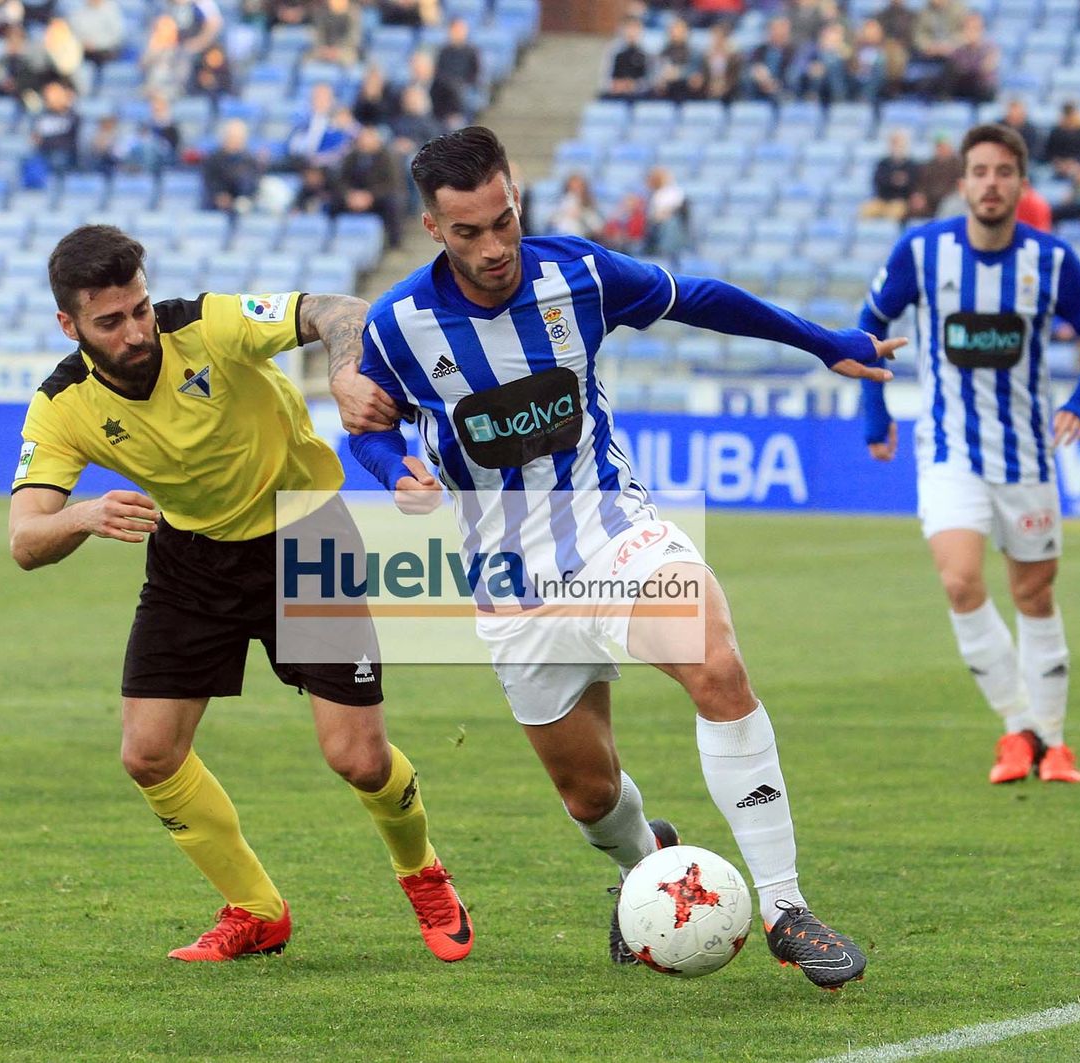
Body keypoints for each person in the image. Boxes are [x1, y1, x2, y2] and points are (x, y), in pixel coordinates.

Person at [347, 127, 898, 989]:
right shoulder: (397, 326)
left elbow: (700, 298)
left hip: (613, 532)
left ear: (515, 197)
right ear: (431, 228)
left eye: (504, 220)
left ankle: (787, 909)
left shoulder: (579, 274)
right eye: (468, 232)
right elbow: (369, 427)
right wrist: (396, 472)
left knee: (716, 664)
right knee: (591, 797)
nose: (493, 247)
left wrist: (822, 340)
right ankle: (648, 860)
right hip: (509, 582)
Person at [8, 224, 472, 964]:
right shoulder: (63, 404)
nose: (136, 331)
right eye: (110, 321)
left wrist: (344, 370)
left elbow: (338, 309)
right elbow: (26, 540)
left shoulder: (208, 325)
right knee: (149, 753)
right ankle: (256, 911)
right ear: (70, 325)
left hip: (306, 534)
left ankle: (424, 874)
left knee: (358, 758)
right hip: (192, 559)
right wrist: (83, 516)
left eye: (139, 309)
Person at [859, 123, 1080, 786]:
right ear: (964, 182)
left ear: (1022, 184)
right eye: (980, 172)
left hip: (1028, 456)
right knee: (959, 581)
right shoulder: (923, 251)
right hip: (950, 451)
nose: (991, 184)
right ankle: (1018, 727)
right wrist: (874, 408)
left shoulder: (1051, 260)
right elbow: (870, 325)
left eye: (1004, 172)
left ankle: (1054, 742)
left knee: (1034, 593)